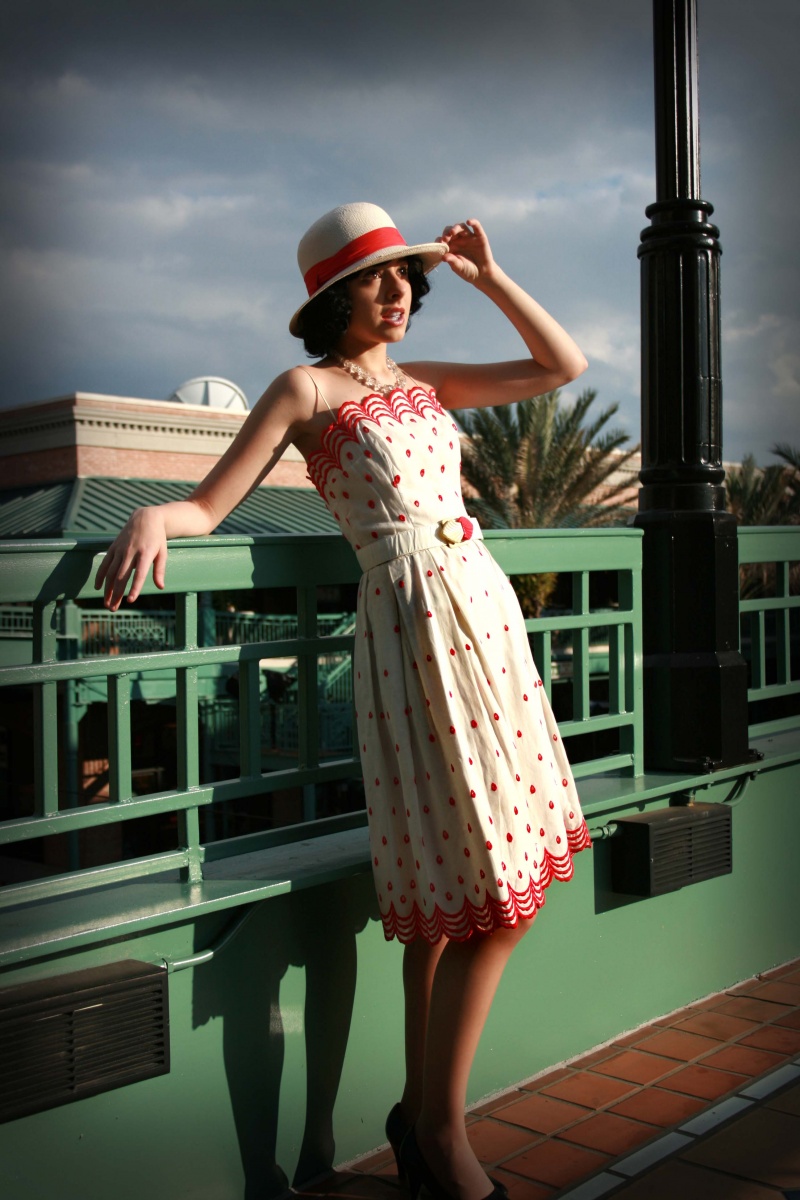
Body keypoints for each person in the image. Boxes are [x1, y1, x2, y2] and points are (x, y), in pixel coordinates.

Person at [95, 202, 592, 1200]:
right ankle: (440, 1130)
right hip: (409, 634)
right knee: (482, 892)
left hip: (482, 619)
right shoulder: (304, 389)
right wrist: (155, 512)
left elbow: (560, 368)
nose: (401, 292)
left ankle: (417, 1119)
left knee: (470, 893)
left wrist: (489, 277)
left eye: (409, 277)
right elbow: (207, 504)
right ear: (331, 296)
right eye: (378, 279)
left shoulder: (424, 380)